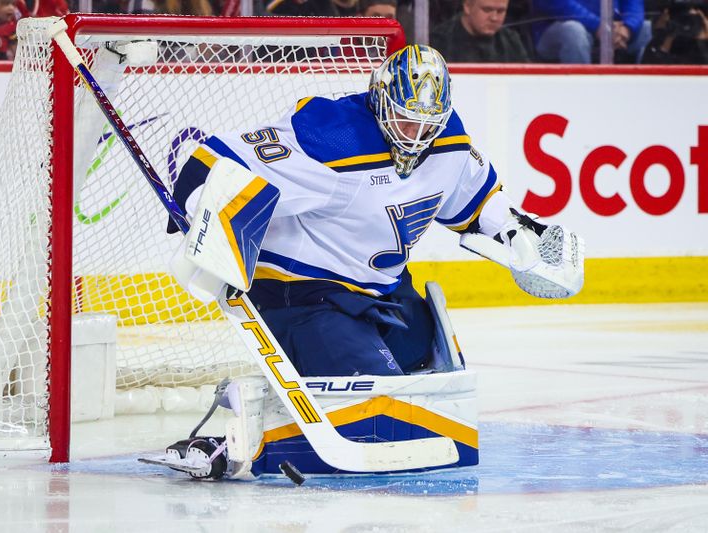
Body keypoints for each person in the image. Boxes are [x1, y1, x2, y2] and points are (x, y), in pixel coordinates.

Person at [163, 45, 583, 479]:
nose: (416, 136)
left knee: (432, 392)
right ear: (380, 99)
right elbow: (209, 161)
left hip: (384, 296)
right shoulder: (330, 137)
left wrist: (518, 234)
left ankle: (305, 395)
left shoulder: (448, 139)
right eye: (406, 119)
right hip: (307, 300)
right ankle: (240, 446)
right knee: (386, 423)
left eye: (428, 124)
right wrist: (203, 217)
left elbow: (478, 199)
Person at [532, 0, 652, 63]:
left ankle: (643, 96)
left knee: (646, 29)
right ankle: (582, 95)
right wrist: (598, 26)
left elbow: (634, 5)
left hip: (611, 32)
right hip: (554, 32)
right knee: (574, 31)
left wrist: (627, 28)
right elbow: (556, 4)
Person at [430, 0, 530, 62]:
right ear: (467, 7)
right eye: (487, 10)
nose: (494, 18)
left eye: (501, 11)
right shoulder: (439, 41)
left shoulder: (511, 41)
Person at [642, 0, 708, 64]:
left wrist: (703, 40)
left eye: (694, 18)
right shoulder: (661, 39)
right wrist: (667, 41)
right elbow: (652, 70)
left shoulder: (702, 38)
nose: (686, 23)